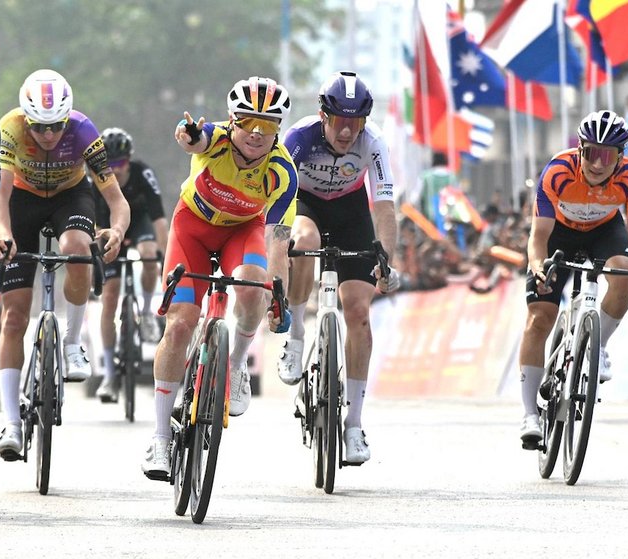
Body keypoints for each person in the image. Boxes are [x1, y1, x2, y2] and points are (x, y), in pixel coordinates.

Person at [141, 76, 296, 479]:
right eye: (248, 122)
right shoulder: (218, 139)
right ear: (233, 121)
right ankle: (159, 440)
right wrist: (187, 133)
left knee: (252, 288)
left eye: (269, 126)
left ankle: (238, 365)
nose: (257, 134)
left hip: (242, 231)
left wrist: (277, 294)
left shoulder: (282, 171)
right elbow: (195, 139)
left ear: (278, 130)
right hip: (193, 225)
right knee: (179, 326)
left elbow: (276, 238)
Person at [0, 69, 130, 459]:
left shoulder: (84, 131)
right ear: (25, 118)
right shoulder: (10, 129)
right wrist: (3, 233)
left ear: (67, 119)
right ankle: (11, 424)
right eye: (39, 126)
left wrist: (117, 231)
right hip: (22, 201)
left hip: (71, 197)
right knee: (14, 318)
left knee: (76, 245)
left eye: (56, 126)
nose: (48, 135)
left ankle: (72, 344)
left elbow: (116, 201)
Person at [276, 71, 399, 465]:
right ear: (323, 116)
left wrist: (386, 259)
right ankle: (296, 337)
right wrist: (275, 262)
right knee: (306, 241)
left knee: (359, 313)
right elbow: (275, 206)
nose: (347, 132)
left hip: (350, 213)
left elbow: (383, 206)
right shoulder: (298, 137)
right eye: (340, 122)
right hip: (305, 205)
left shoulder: (373, 142)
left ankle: (354, 425)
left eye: (356, 123)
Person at [519, 110, 628, 447]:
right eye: (591, 153)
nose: (597, 163)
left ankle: (599, 347)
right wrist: (538, 266)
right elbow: (538, 238)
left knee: (624, 274)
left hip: (602, 231)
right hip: (558, 233)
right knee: (540, 318)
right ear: (580, 150)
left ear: (620, 157)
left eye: (607, 155)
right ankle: (529, 415)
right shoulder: (558, 171)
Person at [92, 127, 168, 403]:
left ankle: (146, 312)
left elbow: (159, 218)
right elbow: (90, 222)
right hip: (106, 227)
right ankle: (110, 375)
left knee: (149, 255)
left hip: (139, 223)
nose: (117, 170)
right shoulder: (96, 179)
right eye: (110, 165)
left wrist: (165, 256)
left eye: (121, 163)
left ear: (129, 159)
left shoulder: (142, 174)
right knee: (109, 298)